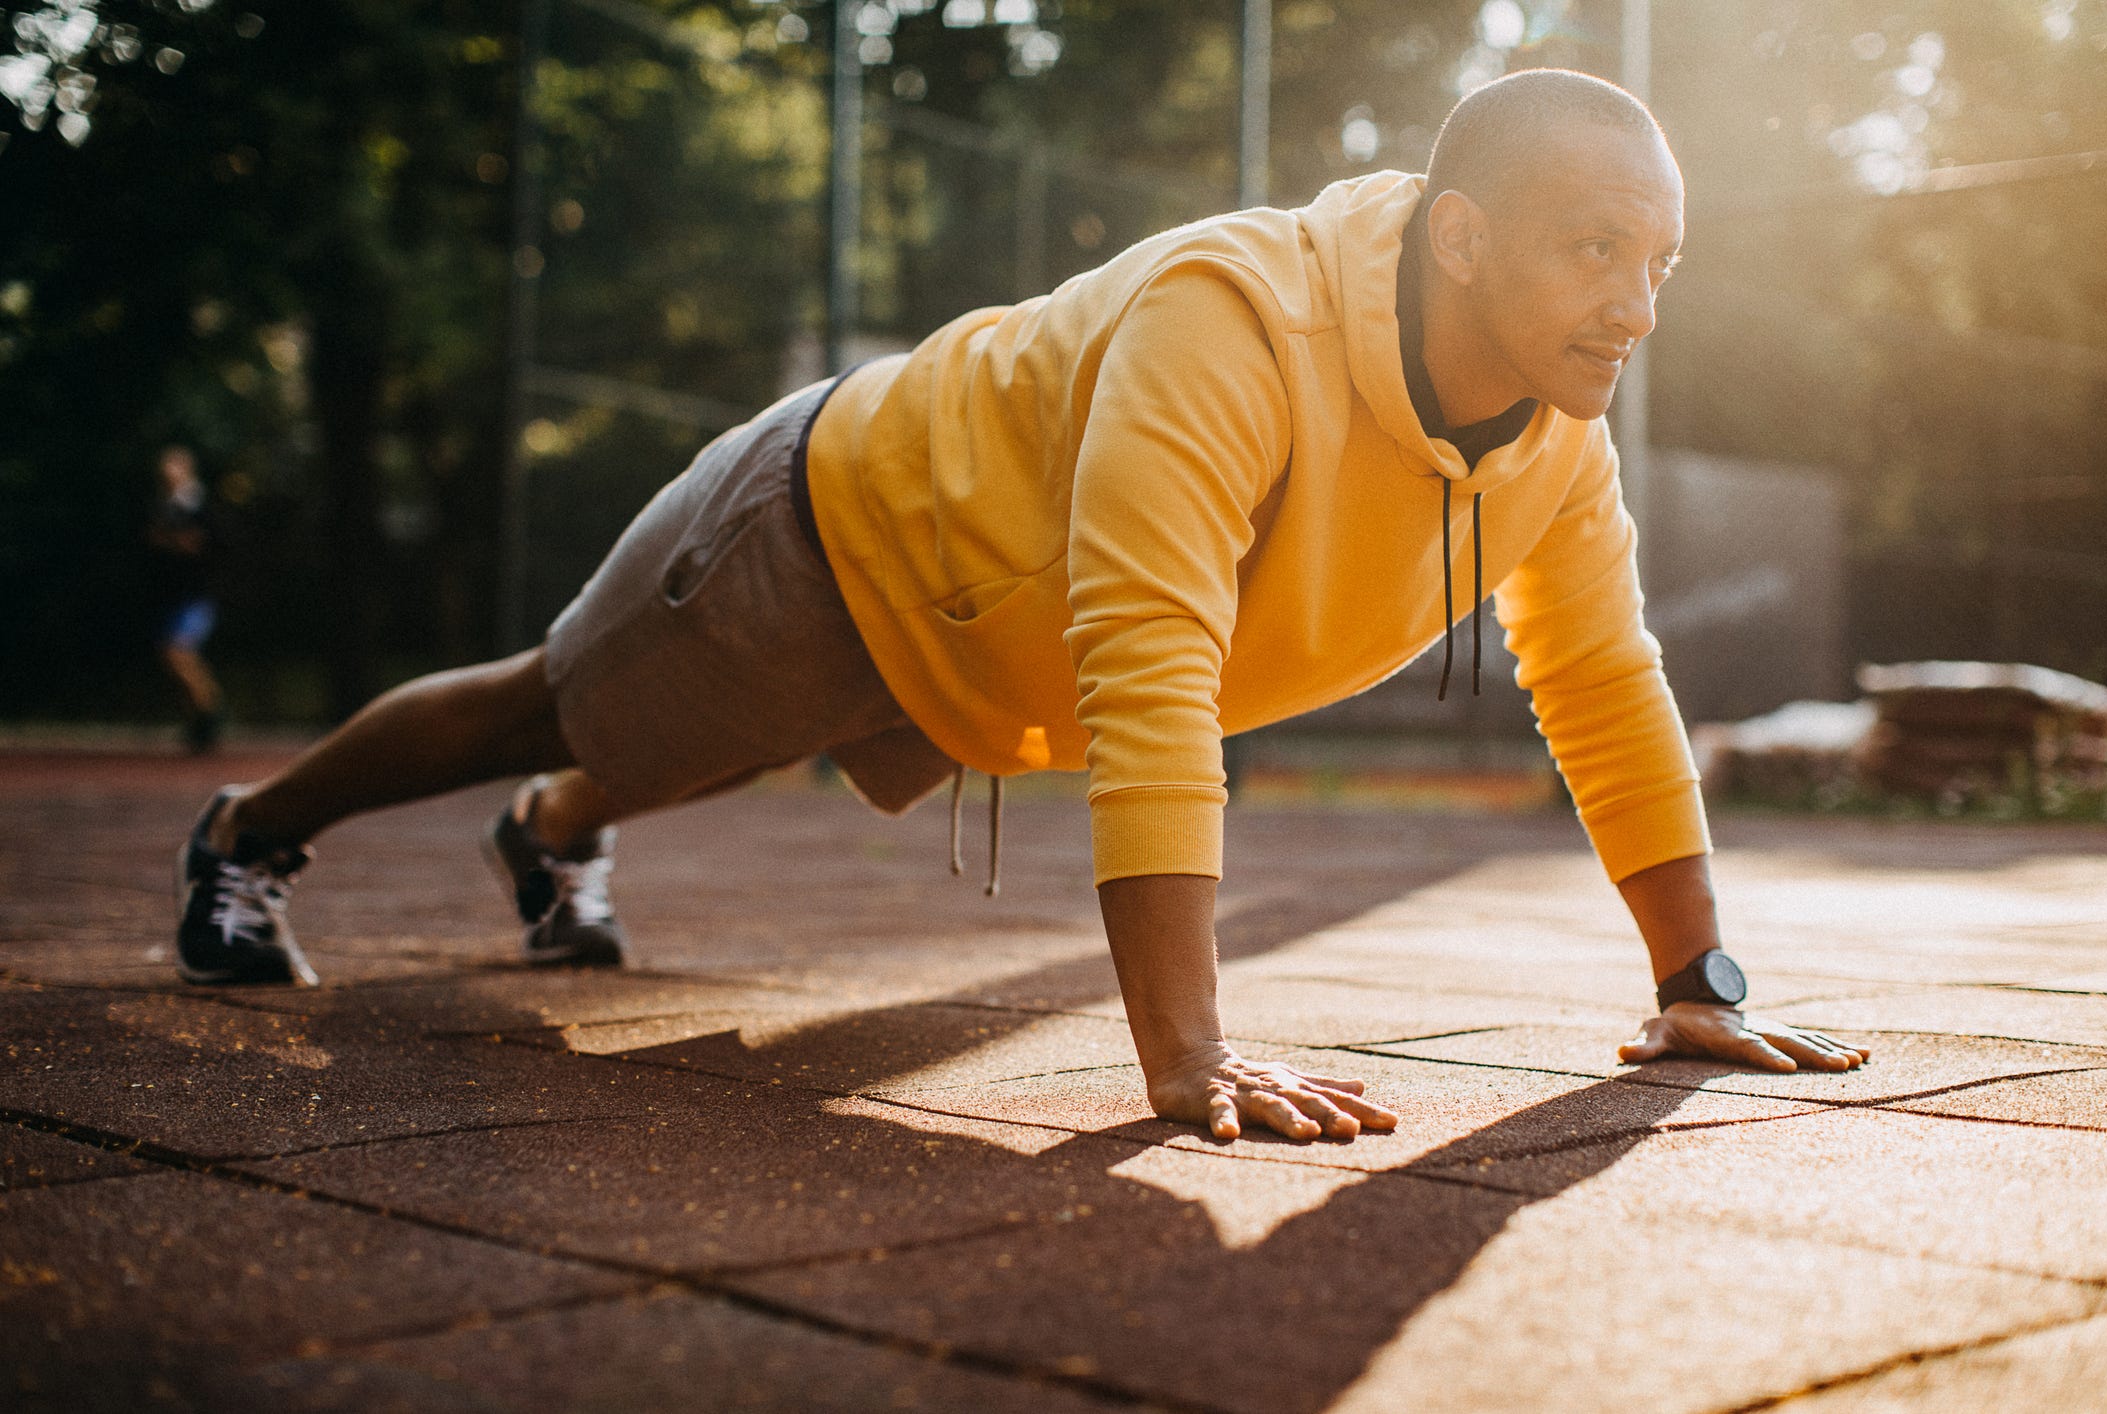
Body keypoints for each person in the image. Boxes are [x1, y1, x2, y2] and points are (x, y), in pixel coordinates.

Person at [173, 69, 1869, 1140]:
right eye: (1595, 249)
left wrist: (1695, 972)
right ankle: (251, 832)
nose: (1636, 304)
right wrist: (1188, 1053)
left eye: (1661, 261)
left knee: (683, 751)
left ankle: (553, 833)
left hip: (983, 654)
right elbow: (1154, 658)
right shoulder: (1235, 322)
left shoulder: (1556, 445)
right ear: (1462, 241)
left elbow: (1602, 675)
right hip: (829, 535)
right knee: (562, 695)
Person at [145, 444, 227, 754]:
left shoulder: (202, 507)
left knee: (178, 653)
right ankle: (198, 720)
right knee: (173, 658)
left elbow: (216, 546)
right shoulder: (161, 508)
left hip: (197, 597)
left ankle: (212, 713)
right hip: (171, 597)